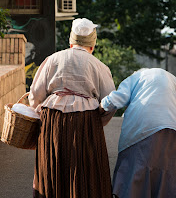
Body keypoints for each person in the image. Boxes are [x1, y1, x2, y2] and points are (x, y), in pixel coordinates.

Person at [28, 18, 116, 198]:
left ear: (71, 42)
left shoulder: (52, 59)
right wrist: (98, 122)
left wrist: (40, 114)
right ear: (92, 44)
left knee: (53, 167)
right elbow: (110, 101)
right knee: (85, 170)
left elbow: (35, 95)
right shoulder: (99, 65)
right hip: (86, 122)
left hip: (52, 120)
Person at [100, 68, 176, 198]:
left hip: (141, 129)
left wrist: (101, 106)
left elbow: (117, 99)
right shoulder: (170, 76)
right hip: (172, 129)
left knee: (136, 170)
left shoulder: (133, 78)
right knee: (167, 174)